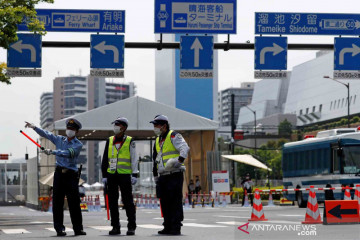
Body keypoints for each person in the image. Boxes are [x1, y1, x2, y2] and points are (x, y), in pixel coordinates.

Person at [25, 119, 86, 236]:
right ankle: (59, 229)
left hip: (71, 175)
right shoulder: (59, 139)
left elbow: (68, 153)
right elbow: (46, 134)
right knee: (57, 202)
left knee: (74, 203)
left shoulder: (78, 144)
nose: (69, 131)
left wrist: (53, 152)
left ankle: (78, 228)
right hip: (59, 174)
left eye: (72, 129)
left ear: (76, 131)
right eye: (68, 128)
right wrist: (34, 127)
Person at [151, 115, 190, 235]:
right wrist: (155, 175)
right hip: (163, 175)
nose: (155, 127)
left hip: (174, 174)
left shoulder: (173, 135)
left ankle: (176, 226)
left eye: (156, 125)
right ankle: (167, 226)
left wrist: (179, 161)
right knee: (165, 202)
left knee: (174, 201)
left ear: (164, 126)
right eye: (154, 125)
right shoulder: (158, 140)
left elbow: (185, 148)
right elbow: (155, 159)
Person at [101, 117, 138, 236]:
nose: (115, 127)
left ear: (124, 127)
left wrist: (135, 174)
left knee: (128, 202)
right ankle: (115, 226)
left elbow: (134, 158)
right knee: (112, 202)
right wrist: (104, 175)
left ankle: (131, 226)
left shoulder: (130, 141)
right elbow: (105, 158)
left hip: (125, 175)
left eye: (117, 124)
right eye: (115, 124)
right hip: (111, 175)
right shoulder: (110, 140)